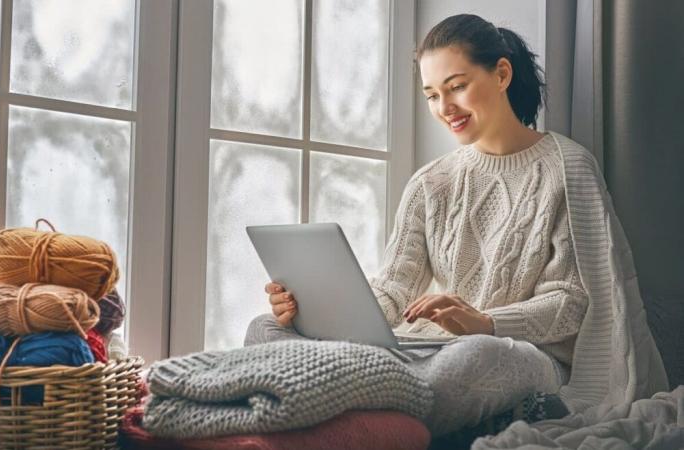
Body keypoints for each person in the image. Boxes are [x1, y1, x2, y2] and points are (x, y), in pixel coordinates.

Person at [243, 14, 665, 437]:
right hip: (426, 349)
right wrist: (311, 311)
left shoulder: (568, 167)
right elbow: (394, 288)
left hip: (516, 355)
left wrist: (487, 322)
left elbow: (573, 302)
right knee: (262, 328)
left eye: (457, 87)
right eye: (431, 95)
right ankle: (362, 397)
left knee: (474, 359)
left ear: (501, 73)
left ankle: (339, 401)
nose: (444, 109)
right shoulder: (430, 181)